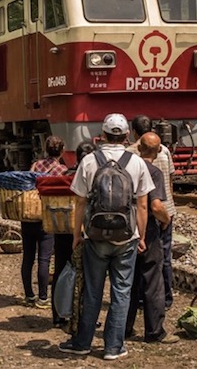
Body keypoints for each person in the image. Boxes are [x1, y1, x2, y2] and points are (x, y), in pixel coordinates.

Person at [59, 113, 154, 361]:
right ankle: (113, 347)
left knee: (92, 291)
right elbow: (143, 206)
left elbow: (79, 202)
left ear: (101, 135)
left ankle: (82, 344)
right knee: (122, 292)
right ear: (126, 136)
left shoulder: (90, 160)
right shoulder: (137, 162)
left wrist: (76, 234)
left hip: (95, 236)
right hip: (127, 238)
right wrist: (141, 236)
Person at [125, 132, 179, 344]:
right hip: (147, 233)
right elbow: (155, 206)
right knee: (153, 281)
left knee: (128, 282)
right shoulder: (153, 171)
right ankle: (154, 330)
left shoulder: (127, 167)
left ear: (138, 149)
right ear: (158, 152)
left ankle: (123, 327)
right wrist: (166, 219)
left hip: (126, 231)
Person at [52, 140, 96, 327]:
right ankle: (84, 316)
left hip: (62, 229)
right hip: (86, 231)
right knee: (89, 274)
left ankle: (58, 314)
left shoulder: (64, 174)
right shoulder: (95, 176)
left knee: (61, 269)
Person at [23, 135, 67, 309]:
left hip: (29, 215)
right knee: (44, 259)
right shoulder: (62, 170)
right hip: (47, 217)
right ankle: (42, 298)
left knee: (27, 257)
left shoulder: (35, 165)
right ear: (62, 151)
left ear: (45, 149)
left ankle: (28, 295)